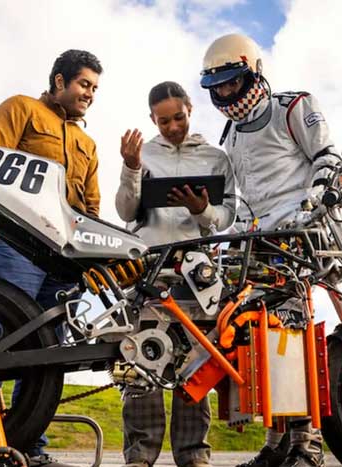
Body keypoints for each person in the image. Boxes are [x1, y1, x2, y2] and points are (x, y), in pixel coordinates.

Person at [200, 34, 342, 467]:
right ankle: (276, 444)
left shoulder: (293, 107)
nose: (226, 93)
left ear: (253, 72)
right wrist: (230, 245)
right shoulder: (231, 138)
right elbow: (245, 200)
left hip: (300, 237)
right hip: (257, 246)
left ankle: (307, 443)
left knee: (294, 338)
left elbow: (327, 157)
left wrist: (319, 197)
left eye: (232, 82)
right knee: (259, 343)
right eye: (218, 87)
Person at [0, 49, 103, 467]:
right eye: (84, 84)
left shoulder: (88, 144)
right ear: (59, 81)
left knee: (48, 352)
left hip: (66, 257)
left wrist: (90, 255)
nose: (90, 94)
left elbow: (90, 205)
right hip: (19, 245)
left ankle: (31, 448)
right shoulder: (21, 109)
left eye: (94, 88)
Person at [115, 81, 237, 467]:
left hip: (196, 274)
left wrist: (202, 210)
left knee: (194, 364)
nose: (172, 127)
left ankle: (192, 455)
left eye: (178, 117)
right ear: (152, 119)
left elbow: (227, 218)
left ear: (190, 109)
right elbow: (125, 211)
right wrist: (132, 168)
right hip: (148, 269)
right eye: (163, 121)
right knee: (143, 362)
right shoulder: (143, 153)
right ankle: (140, 455)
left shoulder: (216, 158)